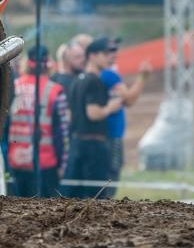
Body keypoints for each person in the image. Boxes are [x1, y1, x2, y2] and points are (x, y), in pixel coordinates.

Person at [62, 37, 122, 199]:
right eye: (105, 54)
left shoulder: (77, 80)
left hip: (76, 144)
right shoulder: (95, 82)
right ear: (93, 56)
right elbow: (93, 114)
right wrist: (111, 107)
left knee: (74, 196)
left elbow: (70, 114)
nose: (110, 58)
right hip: (93, 147)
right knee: (96, 196)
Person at [7, 46, 69, 197]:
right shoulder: (55, 90)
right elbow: (62, 133)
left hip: (16, 161)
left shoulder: (15, 87)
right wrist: (63, 164)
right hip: (45, 164)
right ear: (48, 63)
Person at [98, 42, 153, 199]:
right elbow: (129, 99)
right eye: (110, 50)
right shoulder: (108, 74)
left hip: (107, 134)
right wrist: (143, 77)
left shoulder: (103, 74)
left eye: (116, 49)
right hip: (111, 134)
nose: (114, 53)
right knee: (111, 177)